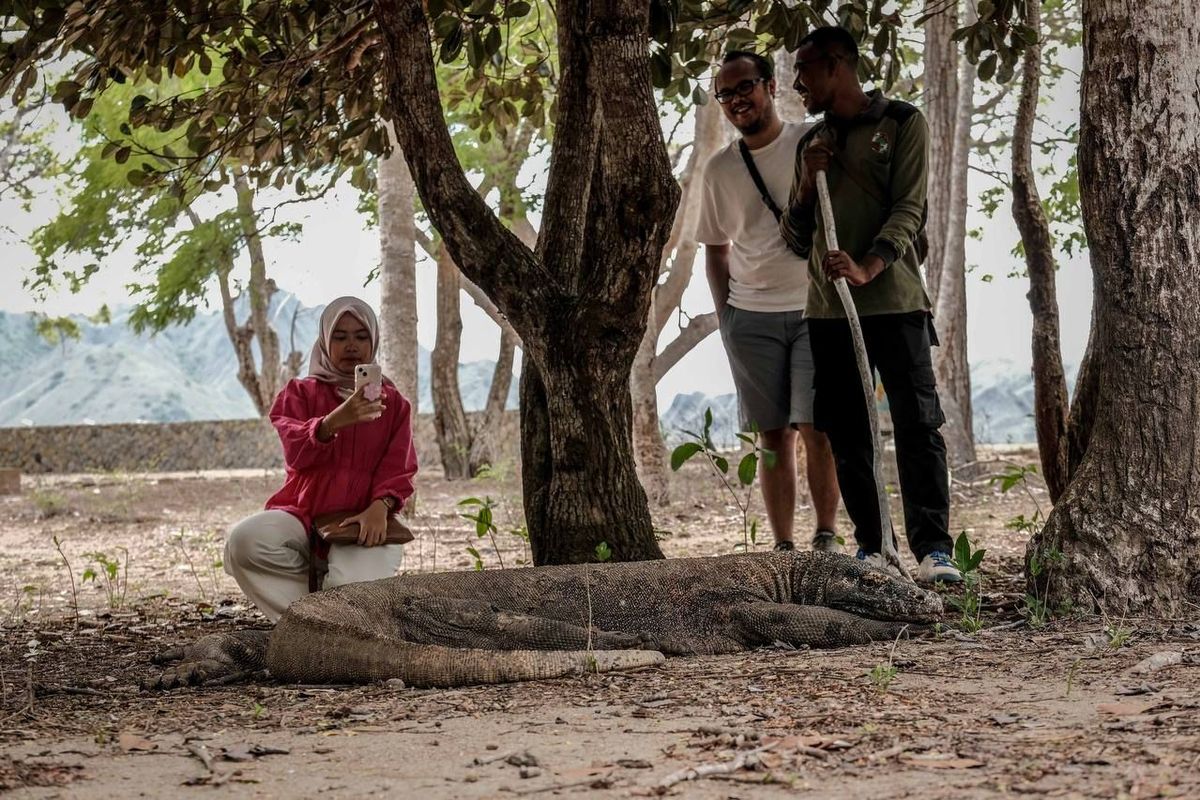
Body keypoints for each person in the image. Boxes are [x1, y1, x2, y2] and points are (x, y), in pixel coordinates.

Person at [779, 26, 960, 582]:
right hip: (830, 311)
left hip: (896, 303)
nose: (796, 83)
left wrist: (868, 266)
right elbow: (792, 235)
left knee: (916, 425)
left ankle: (933, 551)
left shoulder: (904, 123)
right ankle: (874, 548)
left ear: (836, 66)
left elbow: (910, 211)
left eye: (804, 70)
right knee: (847, 431)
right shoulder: (811, 143)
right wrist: (810, 183)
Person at [695, 50, 842, 553]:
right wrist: (726, 318)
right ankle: (783, 547)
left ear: (771, 86)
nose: (737, 100)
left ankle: (826, 536)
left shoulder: (811, 141)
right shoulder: (719, 171)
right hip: (749, 316)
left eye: (745, 87)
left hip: (813, 307)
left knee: (817, 427)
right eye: (726, 94)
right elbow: (716, 250)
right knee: (773, 437)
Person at [224, 296, 418, 621]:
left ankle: (326, 625)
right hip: (304, 512)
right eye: (339, 337)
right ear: (325, 342)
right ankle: (303, 623)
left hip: (364, 520)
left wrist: (380, 507)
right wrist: (333, 422)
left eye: (361, 336)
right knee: (246, 542)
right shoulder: (300, 394)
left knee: (349, 590)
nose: (351, 346)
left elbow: (399, 466)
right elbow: (296, 456)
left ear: (374, 340)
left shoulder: (394, 404)